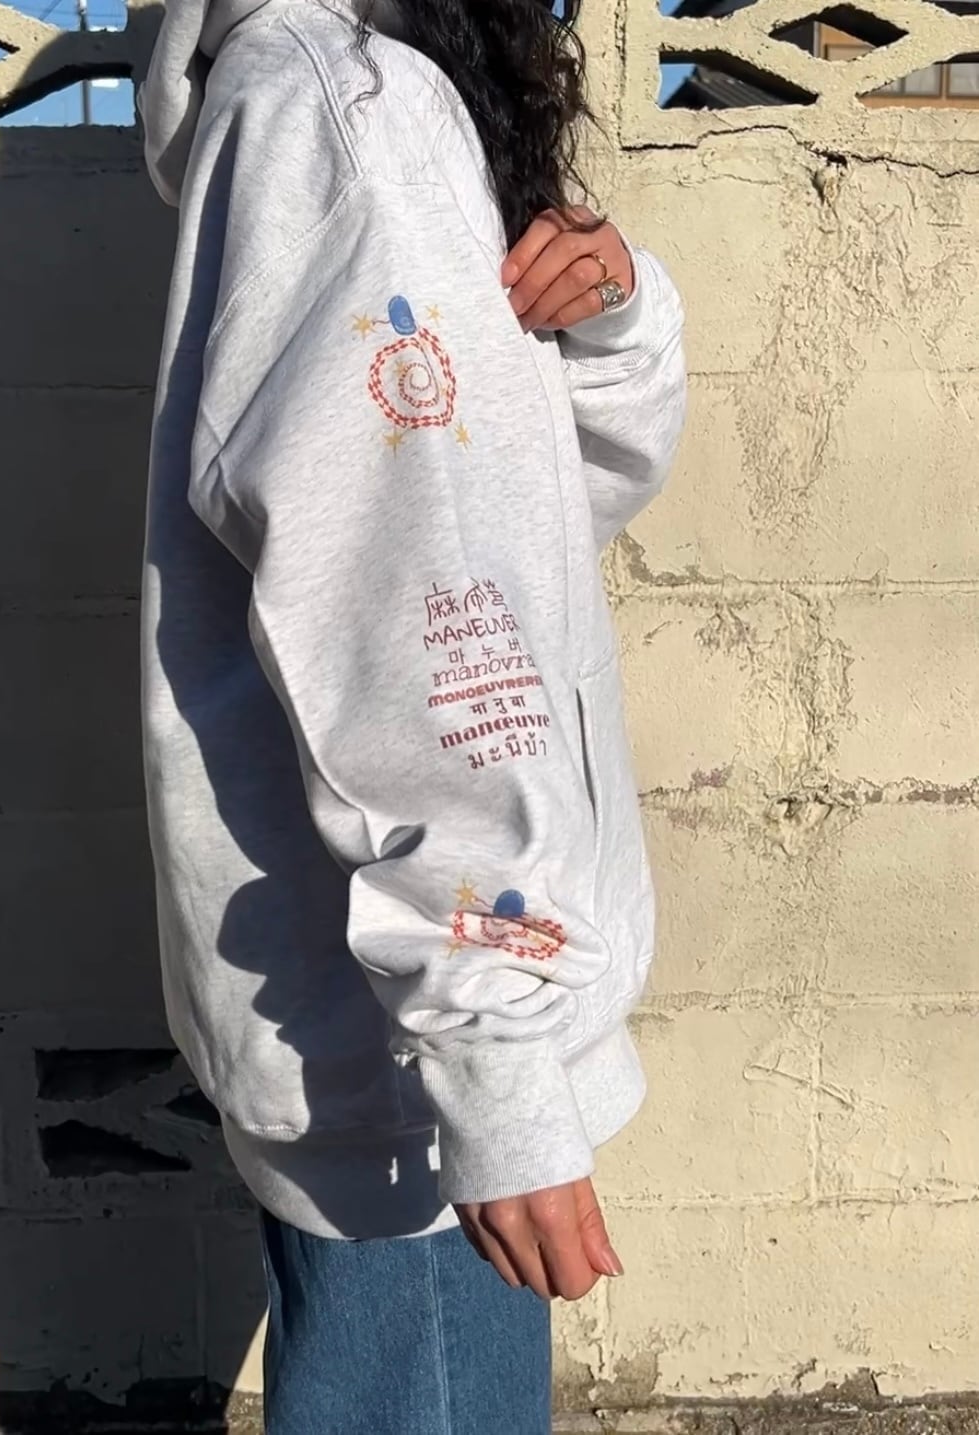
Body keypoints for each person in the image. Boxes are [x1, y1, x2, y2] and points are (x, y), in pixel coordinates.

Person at [139, 0, 686, 1428]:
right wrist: (495, 1044)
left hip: (394, 1010)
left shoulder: (358, 94)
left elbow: (532, 518)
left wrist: (616, 320)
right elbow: (415, 606)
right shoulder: (341, 107)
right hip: (415, 1052)